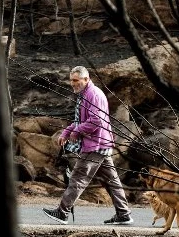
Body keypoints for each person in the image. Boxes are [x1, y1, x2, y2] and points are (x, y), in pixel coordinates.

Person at [43, 66, 133, 225]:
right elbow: (81, 121)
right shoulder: (85, 94)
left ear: (86, 79)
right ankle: (124, 214)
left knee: (78, 177)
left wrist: (76, 131)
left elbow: (96, 121)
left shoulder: (93, 94)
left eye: (76, 80)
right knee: (112, 181)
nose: (72, 83)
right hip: (101, 145)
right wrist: (66, 132)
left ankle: (62, 212)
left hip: (95, 145)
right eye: (71, 80)